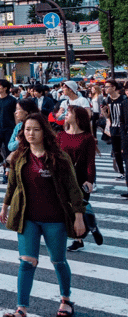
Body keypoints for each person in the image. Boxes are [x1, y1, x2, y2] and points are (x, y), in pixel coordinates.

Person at [0, 113, 87, 317]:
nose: (30, 134)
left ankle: (66, 299)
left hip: (54, 219)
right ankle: (21, 311)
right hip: (27, 218)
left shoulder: (59, 157)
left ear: (44, 132)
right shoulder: (19, 156)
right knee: (27, 262)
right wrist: (5, 206)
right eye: (27, 130)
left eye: (35, 129)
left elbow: (73, 189)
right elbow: (12, 184)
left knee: (58, 261)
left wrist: (78, 216)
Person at [59, 106, 101, 252]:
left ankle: (82, 235)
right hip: (63, 178)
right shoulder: (61, 136)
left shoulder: (87, 138)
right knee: (67, 208)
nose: (65, 114)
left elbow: (90, 161)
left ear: (77, 117)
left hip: (81, 177)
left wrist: (90, 180)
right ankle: (88, 227)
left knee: (79, 207)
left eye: (69, 113)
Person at [102, 79, 128, 189]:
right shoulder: (107, 100)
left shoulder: (123, 99)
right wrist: (104, 111)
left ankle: (126, 173)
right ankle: (122, 172)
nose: (105, 89)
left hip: (123, 128)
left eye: (107, 87)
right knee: (116, 152)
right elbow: (107, 116)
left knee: (124, 152)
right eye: (105, 87)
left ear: (114, 87)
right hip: (113, 129)